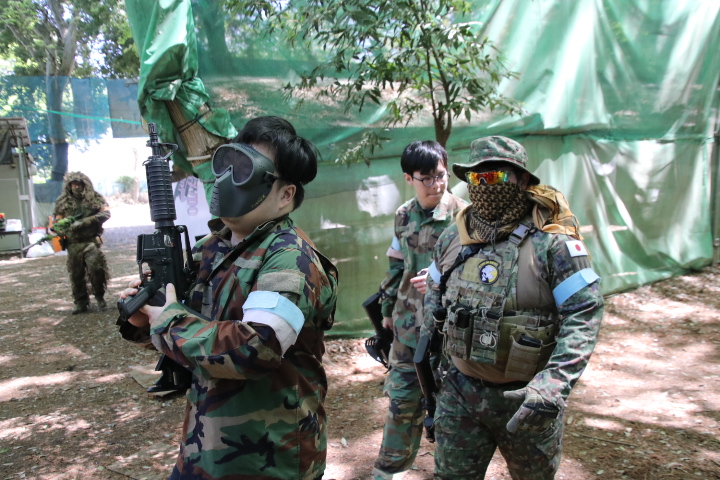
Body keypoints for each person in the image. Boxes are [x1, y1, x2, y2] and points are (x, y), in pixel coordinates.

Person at [119, 116, 339, 480]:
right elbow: (194, 331)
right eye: (230, 163)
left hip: (269, 458)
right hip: (203, 449)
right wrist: (149, 321)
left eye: (247, 171)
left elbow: (256, 348)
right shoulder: (212, 248)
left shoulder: (291, 259)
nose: (229, 180)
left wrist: (169, 323)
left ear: (286, 195)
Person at [422, 136, 604, 479]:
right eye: (477, 177)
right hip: (460, 393)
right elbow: (434, 301)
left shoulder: (553, 243)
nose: (485, 184)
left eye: (496, 176)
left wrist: (553, 384)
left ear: (522, 180)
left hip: (528, 399)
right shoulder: (453, 237)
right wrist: (434, 375)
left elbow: (584, 313)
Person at [372, 141, 467, 480]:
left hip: (450, 332)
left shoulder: (465, 216)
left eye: (440, 176)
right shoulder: (403, 214)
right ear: (408, 178)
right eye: (425, 178)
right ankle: (389, 471)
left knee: (452, 410)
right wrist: (386, 310)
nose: (435, 185)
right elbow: (396, 265)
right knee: (401, 401)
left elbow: (480, 273)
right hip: (408, 327)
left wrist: (443, 280)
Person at [53, 171, 111, 314]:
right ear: (69, 186)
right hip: (73, 243)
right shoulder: (63, 202)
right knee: (76, 274)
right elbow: (57, 221)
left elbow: (106, 213)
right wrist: (62, 228)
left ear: (85, 185)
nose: (76, 187)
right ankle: (80, 302)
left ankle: (99, 295)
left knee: (96, 269)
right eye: (73, 184)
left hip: (90, 241)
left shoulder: (94, 198)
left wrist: (86, 221)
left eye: (79, 184)